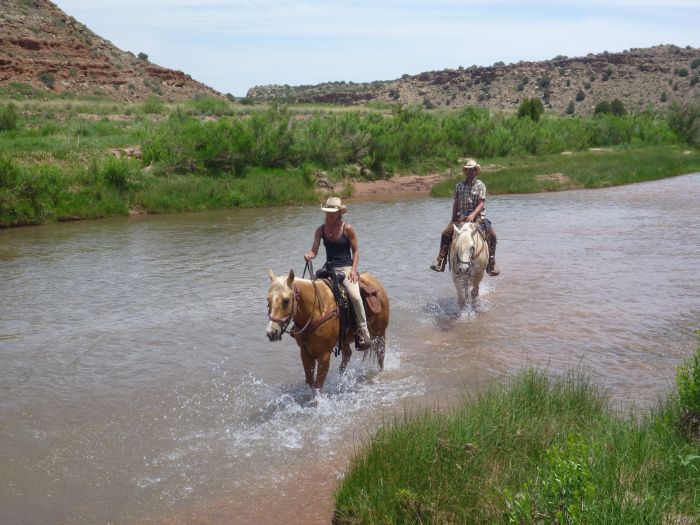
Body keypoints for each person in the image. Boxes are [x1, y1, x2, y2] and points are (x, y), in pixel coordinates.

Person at [304, 196, 372, 348]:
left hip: (346, 268)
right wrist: (310, 255)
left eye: (333, 212)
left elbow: (356, 251)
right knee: (312, 293)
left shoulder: (347, 228)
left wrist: (354, 270)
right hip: (328, 269)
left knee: (355, 296)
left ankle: (363, 331)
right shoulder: (320, 230)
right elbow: (314, 250)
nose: (329, 215)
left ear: (339, 212)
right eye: (327, 212)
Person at [430, 158, 500, 276]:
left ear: (476, 171)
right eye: (468, 170)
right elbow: (456, 203)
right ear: (465, 172)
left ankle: (491, 262)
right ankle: (441, 260)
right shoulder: (459, 185)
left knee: (492, 235)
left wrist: (473, 215)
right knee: (445, 234)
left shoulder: (480, 185)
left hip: (478, 217)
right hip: (461, 217)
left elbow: (481, 203)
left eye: (472, 170)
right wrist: (453, 219)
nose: (470, 172)